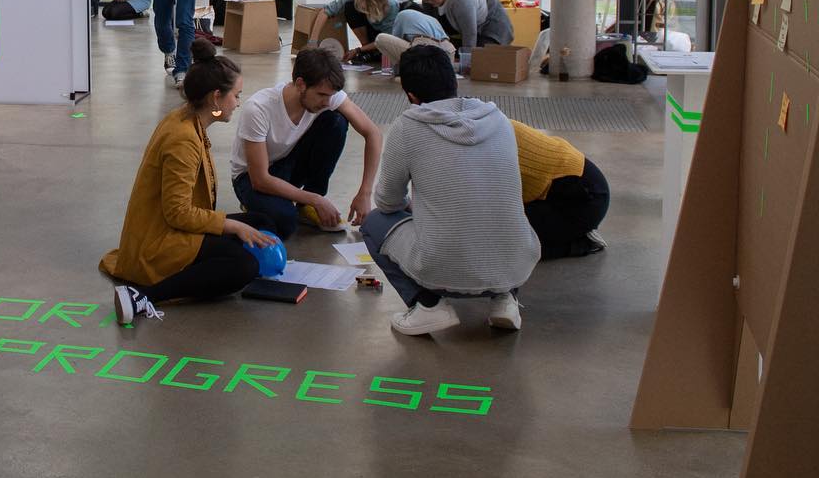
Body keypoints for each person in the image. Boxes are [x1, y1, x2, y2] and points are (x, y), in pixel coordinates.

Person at [359, 44, 539, 335]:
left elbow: (388, 202)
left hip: (443, 269)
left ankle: (428, 306)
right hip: (516, 263)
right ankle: (505, 300)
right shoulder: (499, 120)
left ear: (410, 95)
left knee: (374, 223)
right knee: (497, 217)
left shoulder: (407, 127)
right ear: (454, 81)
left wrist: (414, 207)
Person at [102, 39, 278, 324]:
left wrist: (233, 227)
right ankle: (144, 295)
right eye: (236, 96)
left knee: (262, 222)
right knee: (243, 266)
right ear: (216, 98)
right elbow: (177, 213)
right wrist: (232, 226)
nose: (238, 103)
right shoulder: (182, 139)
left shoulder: (187, 118)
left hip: (175, 226)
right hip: (161, 238)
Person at [231, 41, 384, 239]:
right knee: (284, 222)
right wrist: (317, 200)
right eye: (321, 95)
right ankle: (256, 205)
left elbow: (373, 133)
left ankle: (305, 206)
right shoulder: (259, 108)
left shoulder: (326, 95)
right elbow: (260, 179)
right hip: (251, 178)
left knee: (336, 121)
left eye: (330, 96)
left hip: (287, 165)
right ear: (300, 84)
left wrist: (365, 192)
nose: (327, 101)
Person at [512, 120, 610, 259]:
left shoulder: (487, 142)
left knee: (504, 243)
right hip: (578, 186)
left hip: (584, 198)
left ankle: (582, 243)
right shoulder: (492, 123)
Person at [415, 0, 513, 50]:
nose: (429, 1)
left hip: (491, 18)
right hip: (467, 22)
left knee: (484, 55)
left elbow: (469, 34)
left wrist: (467, 60)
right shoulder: (428, 2)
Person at [315, 0, 403, 64]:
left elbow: (387, 38)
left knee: (385, 51)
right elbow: (326, 11)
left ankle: (371, 52)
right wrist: (313, 41)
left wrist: (358, 50)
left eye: (365, 8)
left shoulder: (391, 5)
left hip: (385, 37)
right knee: (350, 6)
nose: (363, 10)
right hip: (370, 31)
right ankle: (367, 49)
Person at [373, 8, 455, 66]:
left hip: (426, 53)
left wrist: (396, 72)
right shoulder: (431, 19)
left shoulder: (401, 15)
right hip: (448, 54)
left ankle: (404, 74)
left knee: (380, 38)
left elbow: (394, 43)